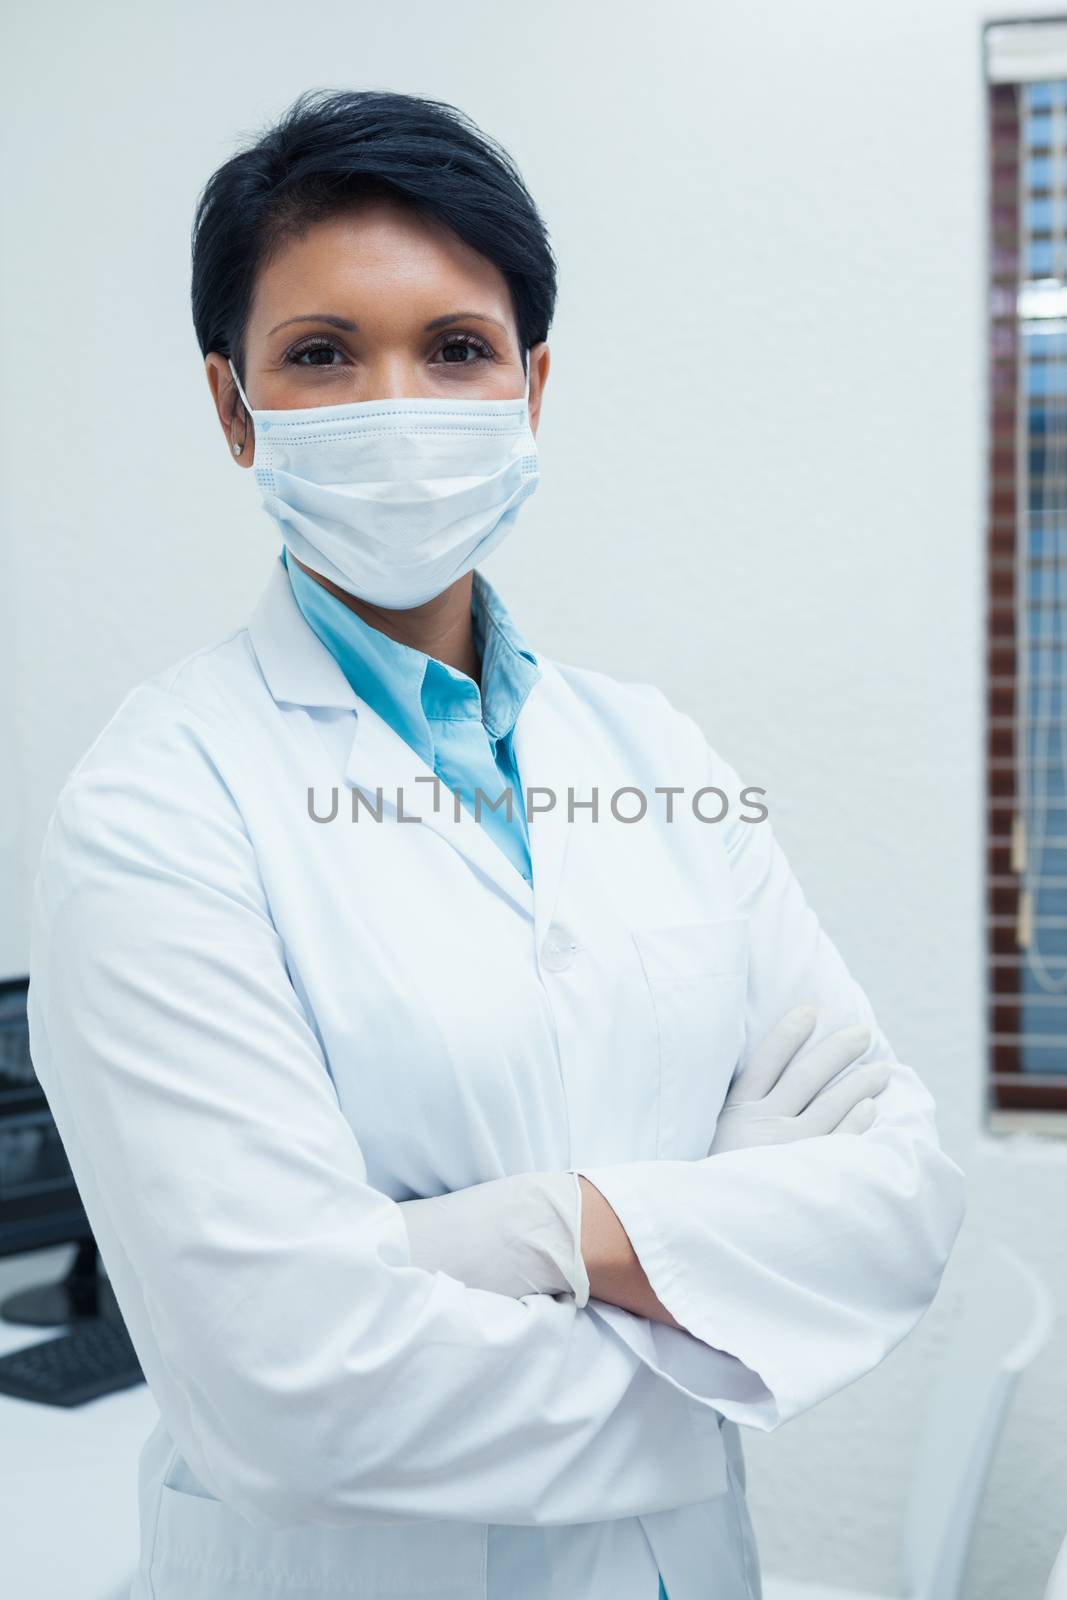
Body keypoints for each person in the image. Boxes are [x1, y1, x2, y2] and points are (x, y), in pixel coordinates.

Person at [26, 87, 965, 1600]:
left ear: (530, 387)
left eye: (455, 349)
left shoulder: (656, 757)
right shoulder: (155, 808)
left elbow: (902, 1206)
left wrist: (516, 1235)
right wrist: (719, 1313)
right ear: (231, 405)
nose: (398, 400)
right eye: (321, 354)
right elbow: (291, 1394)